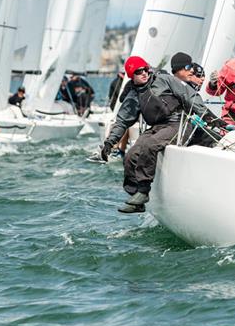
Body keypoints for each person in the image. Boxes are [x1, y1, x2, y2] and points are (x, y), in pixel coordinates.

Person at [96, 56, 224, 214]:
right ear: (131, 75)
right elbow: (122, 122)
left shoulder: (164, 80)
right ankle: (136, 197)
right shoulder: (133, 95)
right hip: (157, 127)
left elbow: (189, 96)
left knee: (150, 146)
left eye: (145, 69)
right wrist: (109, 143)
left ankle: (143, 192)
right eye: (138, 71)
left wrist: (209, 118)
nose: (144, 73)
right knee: (131, 155)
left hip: (179, 123)